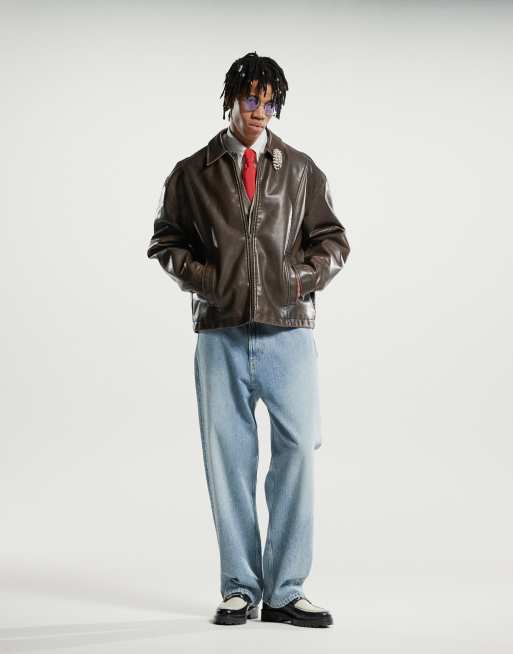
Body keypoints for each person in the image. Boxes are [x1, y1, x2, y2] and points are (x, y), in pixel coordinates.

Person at [147, 51, 350, 628]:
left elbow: (332, 241)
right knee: (229, 460)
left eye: (269, 101)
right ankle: (240, 586)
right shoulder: (193, 173)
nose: (259, 110)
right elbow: (166, 242)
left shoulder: (301, 170)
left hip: (289, 332)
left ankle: (285, 590)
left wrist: (296, 280)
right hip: (221, 333)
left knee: (299, 451)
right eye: (250, 98)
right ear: (232, 100)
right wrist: (210, 283)